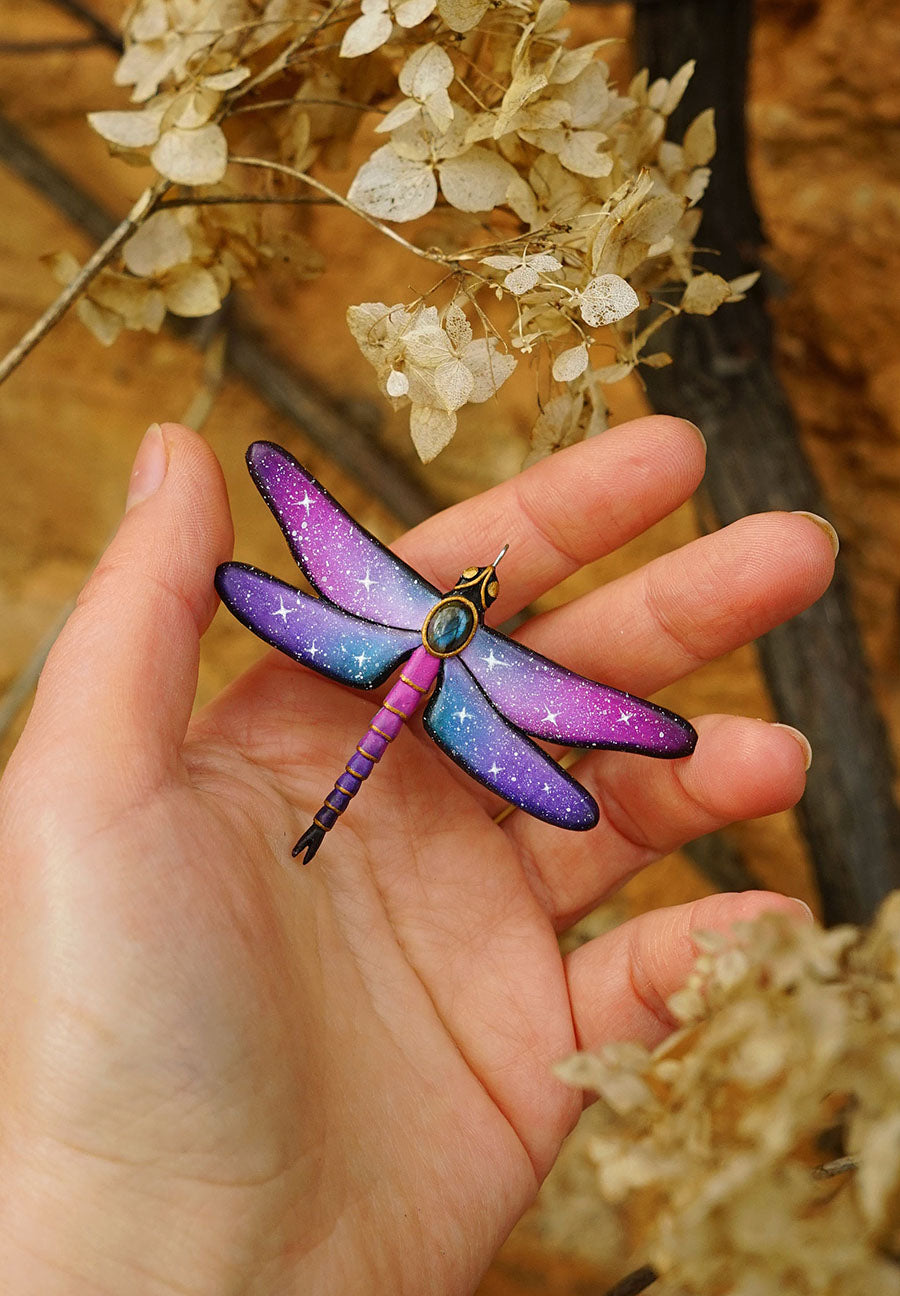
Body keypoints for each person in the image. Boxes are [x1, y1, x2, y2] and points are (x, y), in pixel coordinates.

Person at [0, 417, 834, 1294]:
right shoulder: (495, 664)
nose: (470, 592)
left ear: (454, 601)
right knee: (620, 766)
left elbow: (288, 520)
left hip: (375, 654)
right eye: (472, 589)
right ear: (474, 607)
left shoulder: (392, 603)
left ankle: (323, 820)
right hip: (447, 696)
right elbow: (607, 726)